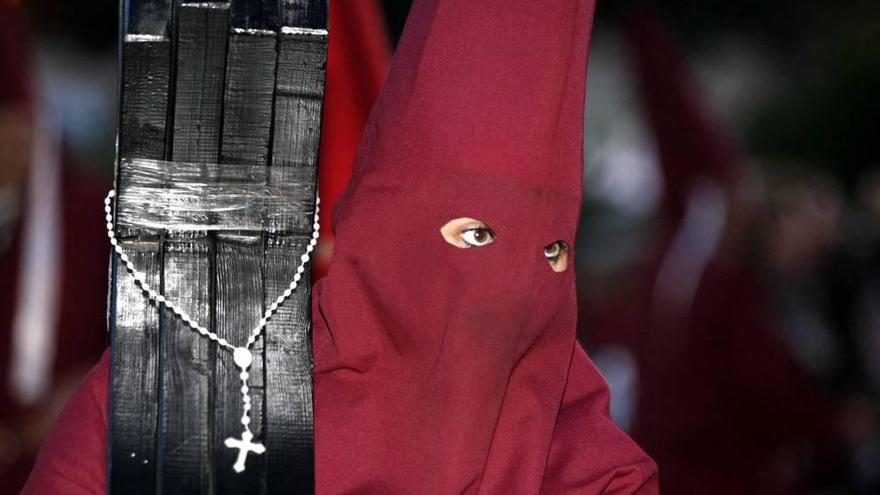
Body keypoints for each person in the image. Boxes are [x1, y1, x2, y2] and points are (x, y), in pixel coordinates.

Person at [22, 0, 658, 493]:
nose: (515, 282)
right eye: (476, 235)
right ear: (388, 230)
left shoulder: (598, 472)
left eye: (553, 252)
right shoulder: (179, 404)